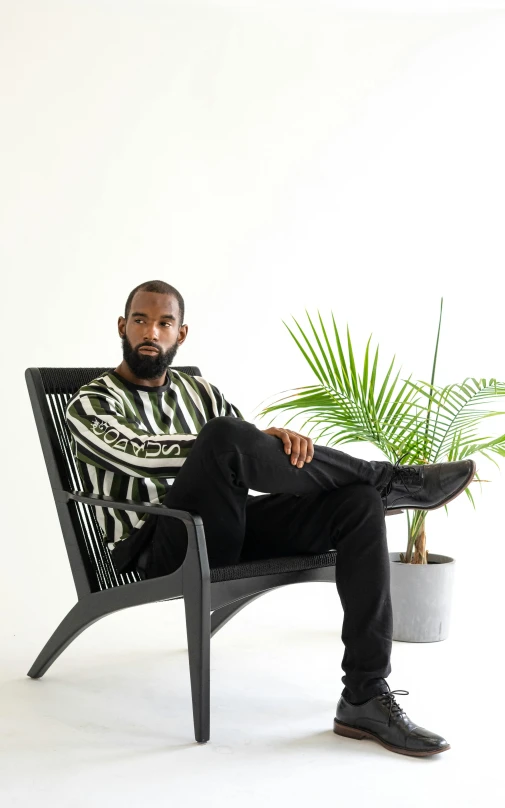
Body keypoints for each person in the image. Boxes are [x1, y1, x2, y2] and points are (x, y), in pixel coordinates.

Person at [66, 279, 475, 758]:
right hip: (159, 544)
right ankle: (393, 481)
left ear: (181, 334)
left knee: (357, 502)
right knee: (222, 436)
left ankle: (364, 695)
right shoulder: (91, 403)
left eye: (164, 323)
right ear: (123, 326)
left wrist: (276, 442)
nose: (150, 332)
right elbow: (144, 457)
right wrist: (239, 443)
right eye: (140, 320)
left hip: (226, 526)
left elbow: (254, 457)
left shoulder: (200, 393)